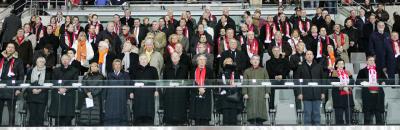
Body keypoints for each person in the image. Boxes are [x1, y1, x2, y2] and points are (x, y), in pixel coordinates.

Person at [294, 50, 327, 125]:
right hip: (306, 94)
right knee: (307, 113)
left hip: (317, 93)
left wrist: (323, 92)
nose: (309, 56)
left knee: (317, 113)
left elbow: (323, 80)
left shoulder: (319, 66)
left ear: (313, 56)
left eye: (310, 54)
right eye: (307, 54)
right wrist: (299, 93)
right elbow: (297, 81)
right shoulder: (300, 67)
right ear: (305, 57)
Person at [49, 54, 79, 126]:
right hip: (58, 95)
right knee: (58, 118)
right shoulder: (56, 70)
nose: (65, 61)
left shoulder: (74, 70)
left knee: (67, 118)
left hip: (69, 96)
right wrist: (59, 88)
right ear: (61, 61)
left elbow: (74, 82)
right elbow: (53, 81)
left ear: (69, 60)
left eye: (66, 59)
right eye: (63, 59)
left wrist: (66, 89)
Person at [129, 54, 159, 125]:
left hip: (149, 94)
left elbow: (157, 82)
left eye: (145, 59)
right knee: (138, 111)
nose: (143, 60)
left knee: (149, 110)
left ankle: (150, 123)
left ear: (148, 60)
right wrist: (131, 92)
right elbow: (131, 82)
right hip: (138, 94)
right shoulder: (134, 69)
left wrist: (156, 90)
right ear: (139, 60)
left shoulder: (153, 69)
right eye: (141, 59)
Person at [356, 56, 387, 125]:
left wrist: (383, 82)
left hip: (378, 96)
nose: (372, 62)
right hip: (367, 96)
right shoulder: (362, 71)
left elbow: (386, 79)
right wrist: (364, 83)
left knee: (379, 117)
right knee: (367, 117)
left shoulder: (379, 70)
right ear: (367, 62)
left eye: (373, 60)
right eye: (370, 60)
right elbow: (357, 82)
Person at [0, 42, 24, 126]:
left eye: (12, 47)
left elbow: (21, 76)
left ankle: (11, 127)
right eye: (8, 47)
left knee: (11, 111)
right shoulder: (1, 59)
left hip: (12, 88)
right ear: (6, 48)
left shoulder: (18, 60)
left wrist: (18, 89)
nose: (10, 49)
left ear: (14, 49)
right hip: (1, 87)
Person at [162, 52, 189, 125]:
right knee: (169, 107)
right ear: (171, 58)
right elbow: (165, 80)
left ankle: (181, 121)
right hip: (170, 91)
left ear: (179, 58)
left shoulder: (184, 67)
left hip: (181, 91)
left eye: (176, 56)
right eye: (173, 56)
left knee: (180, 106)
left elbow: (186, 80)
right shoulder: (166, 67)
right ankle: (169, 121)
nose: (174, 58)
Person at [243, 55, 270, 125]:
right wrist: (245, 93)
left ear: (259, 61)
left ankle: (260, 124)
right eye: (254, 59)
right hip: (251, 93)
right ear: (251, 61)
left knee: (260, 113)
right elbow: (244, 83)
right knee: (251, 112)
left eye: (257, 59)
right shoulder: (247, 71)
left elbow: (267, 82)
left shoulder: (263, 70)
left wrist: (267, 92)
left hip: (261, 93)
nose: (255, 61)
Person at [25, 57, 52, 126]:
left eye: (43, 62)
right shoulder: (30, 71)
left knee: (40, 116)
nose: (41, 63)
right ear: (36, 63)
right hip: (32, 96)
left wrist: (40, 89)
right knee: (32, 116)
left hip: (42, 97)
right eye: (39, 61)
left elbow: (49, 84)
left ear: (45, 63)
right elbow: (26, 84)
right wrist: (32, 89)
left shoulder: (48, 72)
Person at [103, 59, 131, 126]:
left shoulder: (125, 74)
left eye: (119, 64)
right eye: (116, 64)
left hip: (122, 96)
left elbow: (128, 86)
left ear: (121, 66)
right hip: (111, 97)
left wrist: (128, 97)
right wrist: (105, 97)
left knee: (122, 112)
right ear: (113, 66)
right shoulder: (109, 75)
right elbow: (106, 86)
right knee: (111, 112)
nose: (117, 66)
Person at [217, 58, 243, 125]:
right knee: (226, 121)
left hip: (234, 98)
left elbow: (240, 85)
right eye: (227, 62)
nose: (229, 63)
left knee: (233, 121)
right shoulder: (221, 74)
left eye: (230, 61)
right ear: (224, 64)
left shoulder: (237, 73)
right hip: (225, 99)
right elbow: (220, 85)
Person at [189, 54, 214, 125]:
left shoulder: (210, 70)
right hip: (195, 94)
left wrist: (203, 89)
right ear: (197, 61)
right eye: (200, 60)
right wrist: (198, 89)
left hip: (206, 94)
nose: (202, 61)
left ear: (206, 62)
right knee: (197, 117)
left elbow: (211, 82)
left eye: (204, 60)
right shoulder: (193, 70)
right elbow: (191, 82)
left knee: (205, 117)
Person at [78, 62, 104, 126]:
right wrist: (87, 93)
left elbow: (100, 87)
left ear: (98, 68)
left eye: (95, 66)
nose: (93, 67)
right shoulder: (86, 76)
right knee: (86, 115)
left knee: (95, 116)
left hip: (96, 98)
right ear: (90, 67)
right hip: (87, 97)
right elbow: (83, 85)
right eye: (92, 66)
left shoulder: (101, 76)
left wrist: (92, 94)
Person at [330, 59, 354, 125]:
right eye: (339, 63)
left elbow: (352, 82)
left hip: (348, 96)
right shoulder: (334, 72)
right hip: (338, 97)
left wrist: (348, 87)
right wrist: (343, 87)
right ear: (336, 65)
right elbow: (333, 83)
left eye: (342, 64)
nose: (341, 65)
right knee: (339, 117)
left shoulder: (348, 72)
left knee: (349, 118)